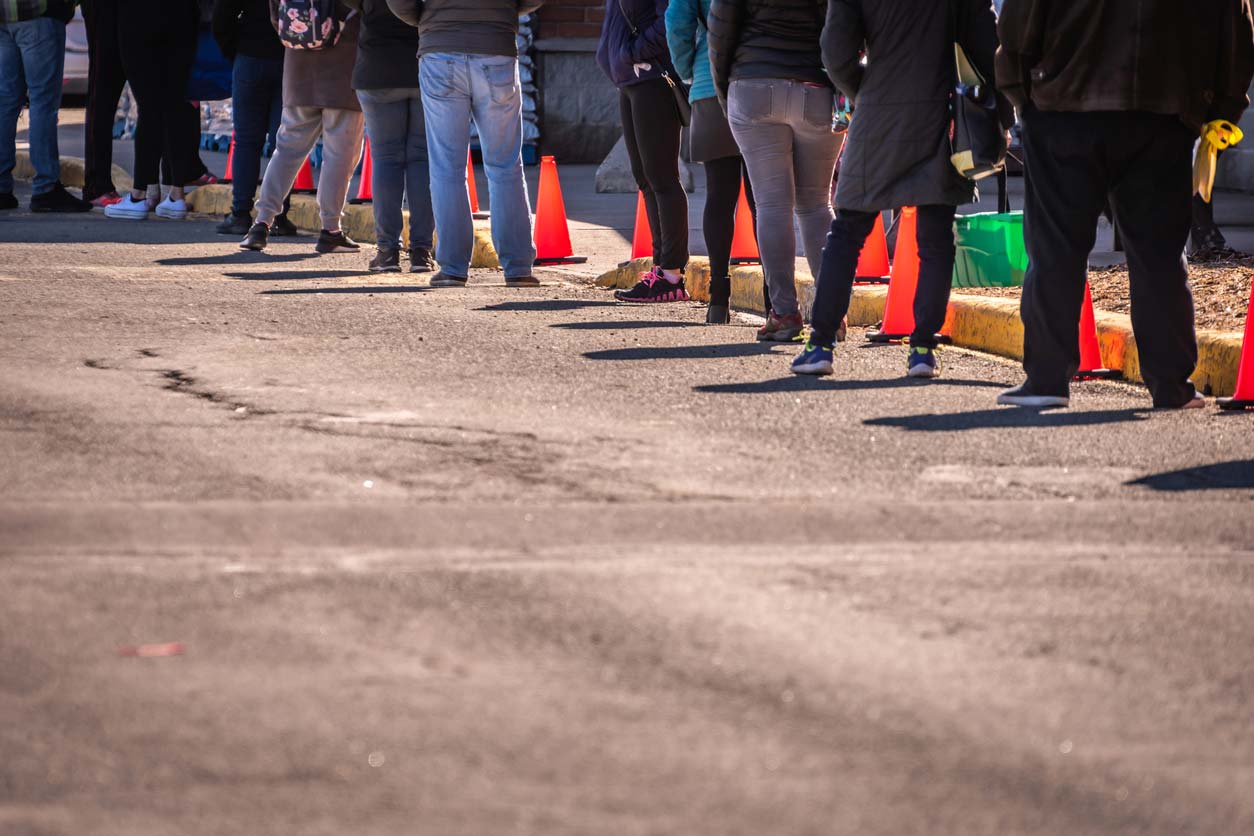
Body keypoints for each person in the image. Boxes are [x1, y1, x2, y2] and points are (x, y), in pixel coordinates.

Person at [996, 0, 1254, 409]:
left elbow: (1018, 24)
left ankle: (1047, 378)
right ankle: (1172, 385)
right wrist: (1219, 111)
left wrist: (1021, 94)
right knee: (1159, 255)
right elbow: (1235, 29)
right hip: (1164, 113)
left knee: (1056, 247)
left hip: (1065, 105)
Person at [793, 0, 1011, 378]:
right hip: (939, 117)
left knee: (847, 233)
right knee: (936, 240)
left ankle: (820, 345)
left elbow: (836, 49)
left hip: (877, 114)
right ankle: (923, 348)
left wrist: (863, 89)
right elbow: (988, 46)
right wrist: (999, 115)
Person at [708, 0, 841, 342]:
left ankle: (784, 312)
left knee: (772, 205)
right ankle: (831, 314)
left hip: (752, 83)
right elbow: (846, 26)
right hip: (816, 87)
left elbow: (720, 31)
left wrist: (726, 92)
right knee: (816, 204)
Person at [386, 0, 542, 288]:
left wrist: (425, 20)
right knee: (506, 165)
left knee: (447, 168)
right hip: (496, 46)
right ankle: (518, 267)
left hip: (440, 47)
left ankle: (454, 268)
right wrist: (504, 11)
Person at [240, 1, 364, 254]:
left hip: (299, 73)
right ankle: (330, 229)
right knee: (340, 155)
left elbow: (278, 20)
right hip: (344, 72)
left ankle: (261, 224)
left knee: (286, 150)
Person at [666, 0, 759, 324]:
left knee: (719, 197)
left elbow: (677, 19)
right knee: (764, 201)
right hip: (763, 81)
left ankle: (718, 299)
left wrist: (689, 69)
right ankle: (777, 300)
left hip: (709, 84)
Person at [598, 0, 691, 303]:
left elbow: (670, 21)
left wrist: (631, 52)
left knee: (662, 178)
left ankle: (672, 276)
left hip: (652, 78)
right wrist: (612, 59)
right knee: (645, 178)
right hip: (630, 80)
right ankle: (661, 269)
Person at [343, 0, 435, 274]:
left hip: (377, 68)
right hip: (424, 67)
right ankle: (421, 252)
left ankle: (388, 251)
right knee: (422, 159)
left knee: (386, 160)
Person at [104, 0, 201, 220]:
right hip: (182, 17)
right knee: (176, 105)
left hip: (140, 16)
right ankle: (176, 194)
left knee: (149, 107)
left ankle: (139, 194)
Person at [212, 0, 296, 237]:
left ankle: (240, 214)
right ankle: (278, 215)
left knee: (247, 141)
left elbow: (222, 17)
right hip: (289, 57)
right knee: (284, 143)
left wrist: (235, 49)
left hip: (250, 56)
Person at [0, 0, 93, 213]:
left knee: (6, 102)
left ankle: (2, 187)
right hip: (39, 13)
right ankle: (46, 187)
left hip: (4, 17)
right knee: (43, 103)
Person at [81, 0, 126, 207]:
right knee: (103, 91)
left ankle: (159, 184)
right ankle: (97, 185)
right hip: (105, 9)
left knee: (151, 95)